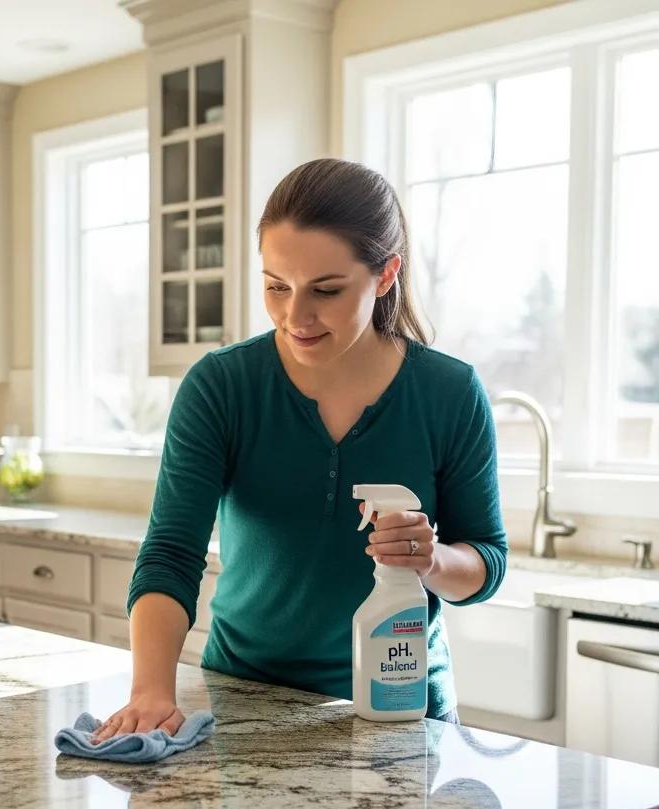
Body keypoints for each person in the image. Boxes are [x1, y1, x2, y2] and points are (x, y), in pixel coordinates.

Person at [91, 157, 507, 745]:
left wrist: (431, 559)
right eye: (275, 286)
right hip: (247, 702)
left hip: (404, 710)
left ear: (386, 275)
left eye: (326, 291)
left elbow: (487, 562)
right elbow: (170, 554)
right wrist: (151, 690)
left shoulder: (449, 393)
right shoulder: (222, 387)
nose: (295, 316)